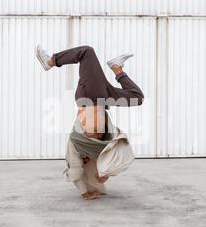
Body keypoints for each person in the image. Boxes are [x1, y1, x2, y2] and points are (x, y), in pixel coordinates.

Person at [36, 45, 144, 200]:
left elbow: (75, 172)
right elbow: (111, 160)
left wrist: (84, 193)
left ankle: (50, 61)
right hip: (101, 99)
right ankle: (117, 69)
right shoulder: (99, 152)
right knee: (137, 97)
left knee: (87, 52)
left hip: (90, 98)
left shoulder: (75, 145)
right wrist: (105, 175)